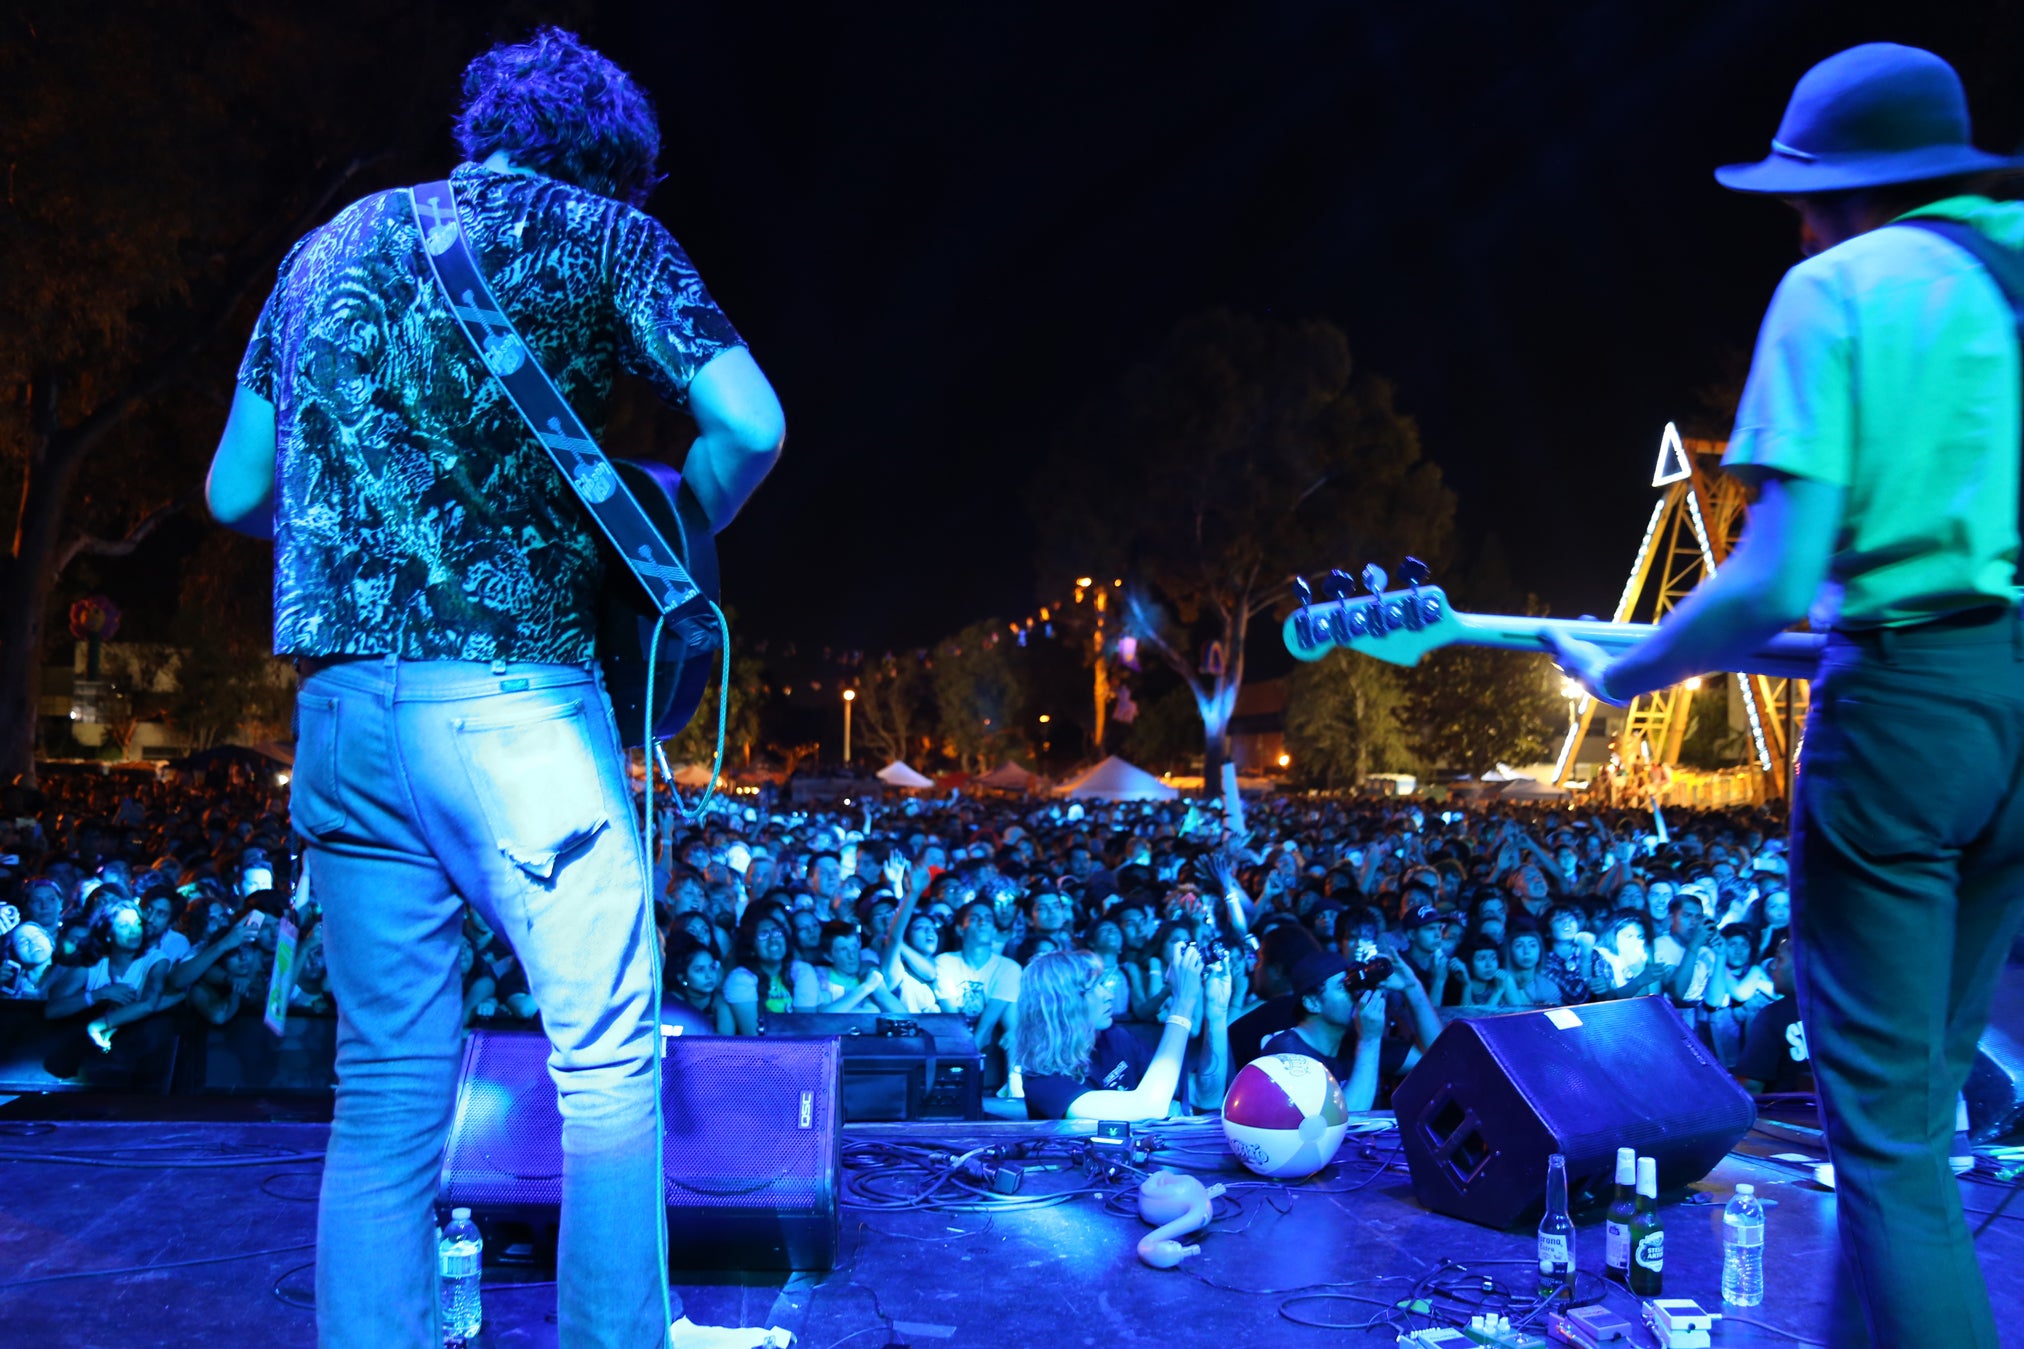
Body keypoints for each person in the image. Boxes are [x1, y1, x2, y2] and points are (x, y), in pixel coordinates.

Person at [203, 27, 787, 1349]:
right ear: (610, 160)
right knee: (606, 1067)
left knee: (386, 1087)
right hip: (521, 711)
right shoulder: (606, 240)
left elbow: (237, 491)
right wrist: (678, 522)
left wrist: (369, 520)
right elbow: (751, 422)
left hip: (345, 713)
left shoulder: (321, 254)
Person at [1548, 44, 2024, 1349]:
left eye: (1808, 197)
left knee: (1888, 1152)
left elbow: (1769, 585)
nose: (1800, 222)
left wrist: (1629, 666)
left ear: (1862, 188)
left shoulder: (1843, 290)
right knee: (1918, 1111)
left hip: (1908, 723)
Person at [1014, 944, 1231, 1121]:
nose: (1107, 994)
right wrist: (1182, 1003)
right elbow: (1149, 1106)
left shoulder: (1114, 1038)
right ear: (1063, 1005)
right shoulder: (1043, 1081)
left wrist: (1216, 1013)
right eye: (1094, 987)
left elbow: (1206, 1097)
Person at [1259, 951, 1390, 1109]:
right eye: (1343, 987)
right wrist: (1369, 1041)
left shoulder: (1353, 1040)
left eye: (1355, 985)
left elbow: (1425, 1061)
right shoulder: (1286, 1053)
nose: (1355, 993)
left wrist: (1411, 988)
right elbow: (1343, 1123)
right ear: (1312, 1003)